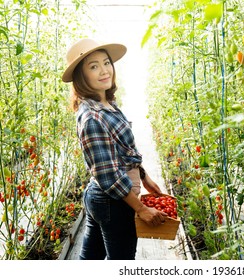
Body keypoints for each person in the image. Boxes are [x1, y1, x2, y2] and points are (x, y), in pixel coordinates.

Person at [62, 38, 167, 260]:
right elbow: (108, 175)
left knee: (90, 260)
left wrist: (145, 177)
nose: (104, 70)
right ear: (82, 77)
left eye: (106, 62)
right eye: (93, 66)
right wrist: (141, 209)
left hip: (103, 199)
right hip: (113, 201)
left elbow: (124, 152)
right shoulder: (91, 117)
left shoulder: (106, 104)